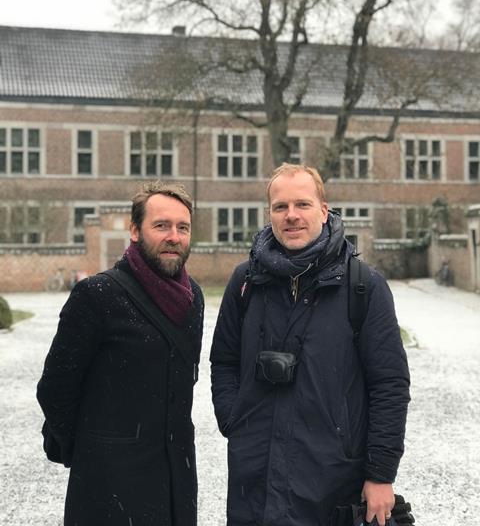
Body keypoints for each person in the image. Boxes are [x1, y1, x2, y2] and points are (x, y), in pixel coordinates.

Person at [210, 163, 410, 526]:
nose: (291, 216)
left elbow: (389, 384)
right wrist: (234, 419)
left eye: (302, 204)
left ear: (323, 208)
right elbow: (223, 359)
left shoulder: (362, 286)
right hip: (255, 470)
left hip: (332, 474)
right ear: (268, 213)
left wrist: (381, 473)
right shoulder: (246, 281)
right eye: (280, 207)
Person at [37, 181, 204, 526]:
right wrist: (94, 451)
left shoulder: (193, 297)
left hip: (177, 478)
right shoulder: (97, 295)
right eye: (161, 226)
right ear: (134, 230)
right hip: (109, 487)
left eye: (182, 227)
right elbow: (55, 388)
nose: (173, 236)